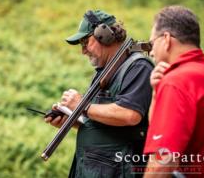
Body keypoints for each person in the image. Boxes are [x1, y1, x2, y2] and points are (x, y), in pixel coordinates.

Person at [45, 10, 153, 177]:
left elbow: (130, 115)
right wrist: (72, 119)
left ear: (103, 35)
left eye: (85, 42)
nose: (83, 51)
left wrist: (82, 106)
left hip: (118, 171)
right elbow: (100, 120)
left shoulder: (138, 67)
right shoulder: (106, 70)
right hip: (94, 169)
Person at [143, 5, 204, 177]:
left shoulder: (176, 82)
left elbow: (163, 159)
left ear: (166, 39)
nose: (151, 52)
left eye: (152, 43)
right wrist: (156, 93)